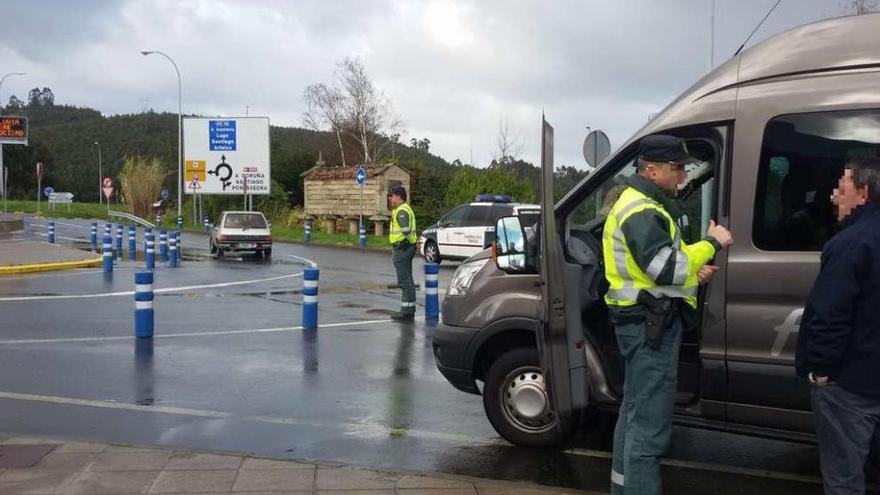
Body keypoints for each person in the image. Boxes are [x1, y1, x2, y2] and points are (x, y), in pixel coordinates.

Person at [602, 134, 734, 494]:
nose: (682, 174)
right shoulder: (642, 210)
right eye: (676, 167)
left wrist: (694, 268)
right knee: (649, 429)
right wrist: (712, 244)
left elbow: (657, 267)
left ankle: (622, 488)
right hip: (649, 331)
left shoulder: (644, 204)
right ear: (651, 170)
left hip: (642, 326)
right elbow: (665, 268)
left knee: (633, 414)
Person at [795, 158, 880, 495]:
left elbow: (828, 315)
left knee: (844, 480)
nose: (833, 196)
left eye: (841, 188)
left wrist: (820, 370)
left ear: (863, 193)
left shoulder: (850, 244)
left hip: (851, 387)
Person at [388, 185, 418, 321]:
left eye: (392, 196)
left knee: (404, 281)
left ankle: (406, 312)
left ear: (399, 196)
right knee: (408, 280)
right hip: (406, 248)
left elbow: (406, 231)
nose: (390, 198)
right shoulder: (404, 209)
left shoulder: (401, 211)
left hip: (402, 248)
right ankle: (409, 308)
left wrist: (409, 242)